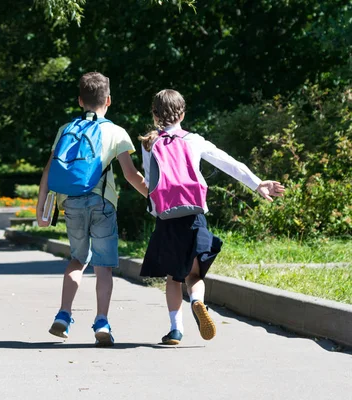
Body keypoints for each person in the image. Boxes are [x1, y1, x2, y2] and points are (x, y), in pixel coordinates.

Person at [139, 89, 284, 345]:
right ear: (183, 112)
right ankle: (197, 301)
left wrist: (155, 207)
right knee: (194, 276)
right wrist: (257, 183)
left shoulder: (149, 143)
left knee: (173, 278)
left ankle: (175, 329)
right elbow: (227, 162)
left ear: (154, 114)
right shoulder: (193, 140)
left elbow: (151, 183)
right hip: (194, 216)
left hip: (166, 219)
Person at [36, 72, 148, 346]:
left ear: (79, 101)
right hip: (102, 204)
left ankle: (63, 315)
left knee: (77, 259)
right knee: (104, 267)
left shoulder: (66, 129)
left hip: (70, 202)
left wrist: (41, 208)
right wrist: (154, 196)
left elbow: (49, 170)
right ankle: (102, 321)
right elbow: (131, 175)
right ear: (108, 100)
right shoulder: (115, 132)